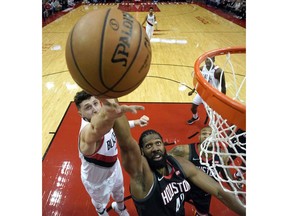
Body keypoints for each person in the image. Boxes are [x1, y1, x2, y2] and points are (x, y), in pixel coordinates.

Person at [102, 99, 246, 216]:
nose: (155, 148)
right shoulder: (142, 176)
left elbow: (220, 192)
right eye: (148, 146)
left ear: (164, 146)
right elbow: (126, 143)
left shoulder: (179, 164)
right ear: (142, 152)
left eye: (158, 143)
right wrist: (112, 100)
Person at [74, 90, 149, 216]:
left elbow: (112, 126)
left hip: (114, 167)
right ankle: (102, 212)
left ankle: (120, 208)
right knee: (100, 202)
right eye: (88, 107)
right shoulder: (86, 133)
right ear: (80, 113)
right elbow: (96, 130)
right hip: (96, 180)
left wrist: (135, 122)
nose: (95, 109)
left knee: (120, 192)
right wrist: (112, 113)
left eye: (95, 103)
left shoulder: (105, 120)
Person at [168, 126, 233, 216]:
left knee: (202, 214)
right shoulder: (184, 150)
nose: (207, 136)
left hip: (204, 192)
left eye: (210, 134)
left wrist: (235, 188)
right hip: (185, 188)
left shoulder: (222, 155)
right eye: (204, 134)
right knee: (175, 211)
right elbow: (165, 160)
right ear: (199, 137)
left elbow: (226, 173)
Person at [187, 56, 226, 125]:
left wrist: (223, 100)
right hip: (201, 93)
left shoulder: (218, 71)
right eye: (207, 59)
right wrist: (193, 91)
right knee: (193, 107)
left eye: (210, 59)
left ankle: (212, 126)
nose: (208, 61)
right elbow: (199, 81)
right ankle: (195, 117)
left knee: (210, 112)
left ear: (214, 60)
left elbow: (223, 86)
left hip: (211, 95)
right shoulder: (202, 69)